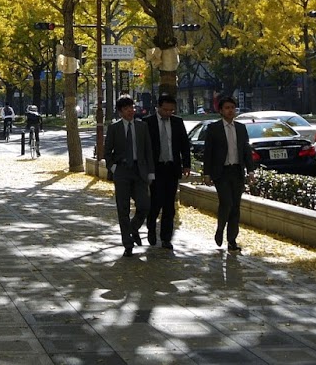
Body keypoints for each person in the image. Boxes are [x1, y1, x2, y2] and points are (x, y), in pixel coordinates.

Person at [201, 95, 255, 252]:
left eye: (232, 107)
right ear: (221, 111)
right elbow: (208, 152)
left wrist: (250, 170)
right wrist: (207, 173)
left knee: (236, 207)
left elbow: (246, 151)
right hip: (221, 172)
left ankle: (232, 240)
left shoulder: (241, 128)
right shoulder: (214, 128)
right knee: (226, 203)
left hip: (237, 171)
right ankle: (220, 229)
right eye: (227, 108)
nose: (230, 111)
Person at [103, 95, 155, 255]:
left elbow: (148, 151)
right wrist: (113, 168)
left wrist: (151, 172)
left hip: (139, 171)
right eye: (126, 109)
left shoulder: (142, 127)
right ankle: (128, 244)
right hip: (122, 171)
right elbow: (107, 152)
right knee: (123, 208)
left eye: (132, 108)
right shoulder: (114, 128)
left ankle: (133, 228)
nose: (131, 111)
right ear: (120, 112)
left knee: (145, 205)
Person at [145, 93, 191, 248]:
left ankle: (166, 237)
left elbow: (185, 144)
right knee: (156, 202)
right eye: (165, 110)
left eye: (171, 110)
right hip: (155, 168)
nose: (168, 113)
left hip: (172, 167)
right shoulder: (148, 123)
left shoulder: (177, 122)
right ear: (158, 107)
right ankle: (151, 227)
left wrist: (186, 164)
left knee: (169, 205)